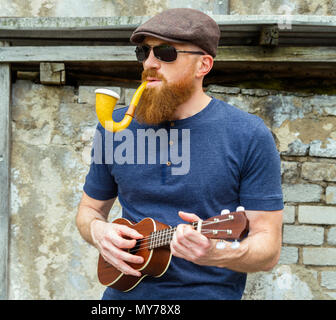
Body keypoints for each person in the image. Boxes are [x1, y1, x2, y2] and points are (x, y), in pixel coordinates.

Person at [76, 8, 283, 300]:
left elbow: (268, 248)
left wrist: (216, 254)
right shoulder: (114, 128)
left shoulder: (248, 135)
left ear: (203, 65)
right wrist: (98, 231)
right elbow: (89, 210)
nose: (150, 63)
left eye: (165, 52)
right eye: (143, 52)